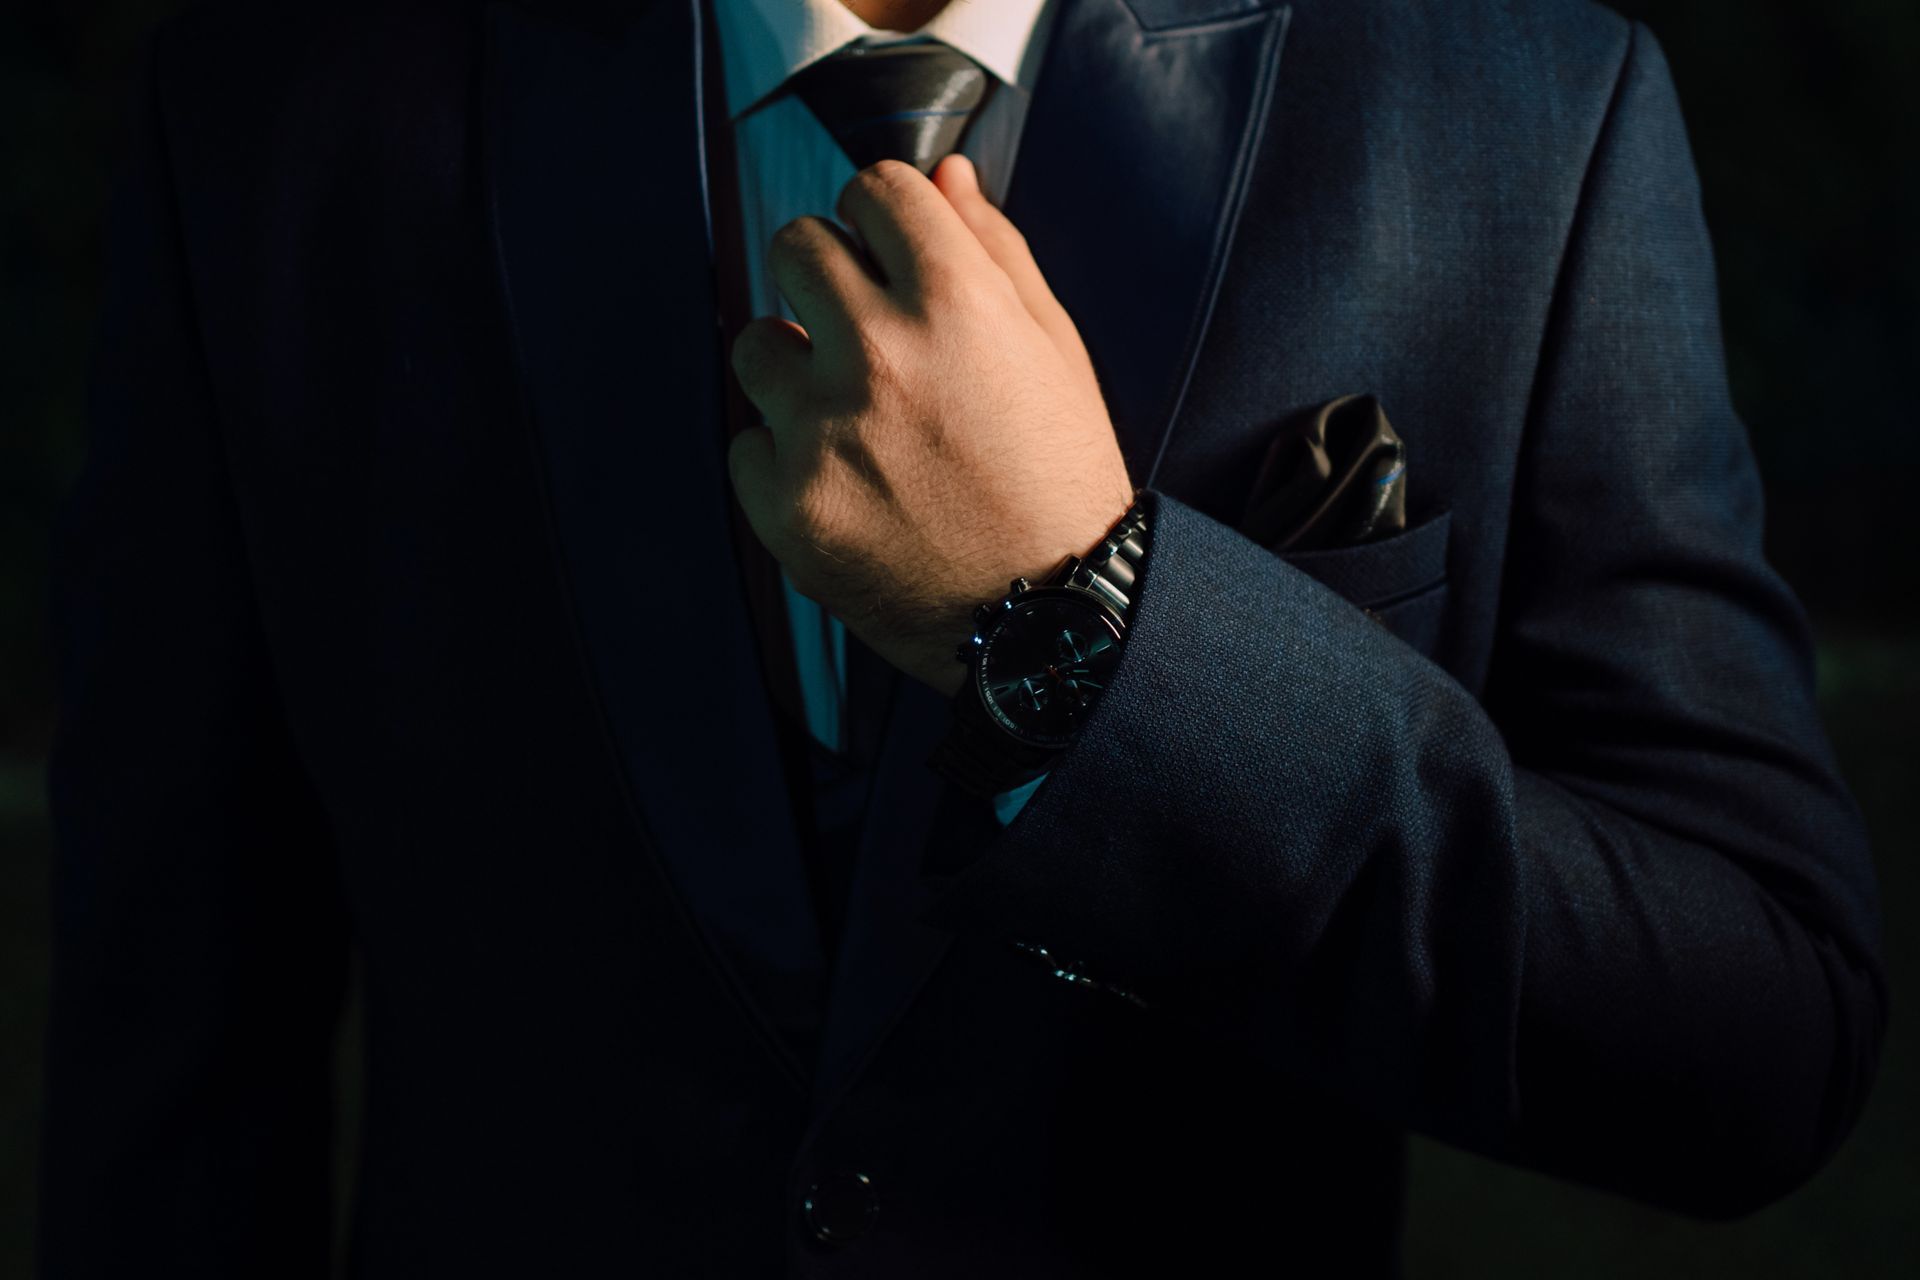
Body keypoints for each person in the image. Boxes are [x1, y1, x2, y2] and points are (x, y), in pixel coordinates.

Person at [38, 0, 1887, 1274]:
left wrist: (1087, 618)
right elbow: (172, 1063)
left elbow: (1757, 1035)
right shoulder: (273, 111)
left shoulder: (1525, 103)